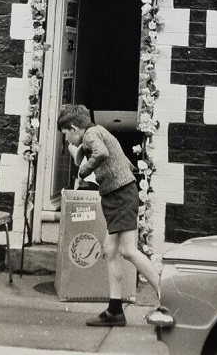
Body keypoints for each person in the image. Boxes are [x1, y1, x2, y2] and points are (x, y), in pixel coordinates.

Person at [57, 104, 160, 327]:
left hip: (121, 194)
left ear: (74, 128)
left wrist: (84, 171)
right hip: (117, 195)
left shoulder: (92, 134)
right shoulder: (92, 134)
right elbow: (84, 156)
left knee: (128, 250)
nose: (66, 141)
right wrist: (79, 155)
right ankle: (115, 311)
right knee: (110, 250)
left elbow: (100, 154)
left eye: (66, 135)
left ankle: (167, 296)